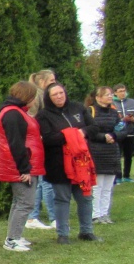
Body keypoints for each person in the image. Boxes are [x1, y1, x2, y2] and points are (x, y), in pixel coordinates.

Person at [37, 82, 101, 244]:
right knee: (62, 199)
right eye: (55, 94)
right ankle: (63, 234)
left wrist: (82, 132)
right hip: (58, 164)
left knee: (85, 198)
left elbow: (94, 127)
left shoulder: (78, 108)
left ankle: (86, 231)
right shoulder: (43, 115)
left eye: (61, 93)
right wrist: (70, 136)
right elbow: (48, 138)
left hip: (81, 164)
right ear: (48, 98)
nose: (59, 97)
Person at [0, 81, 45, 252]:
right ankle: (12, 239)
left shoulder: (15, 112)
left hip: (21, 165)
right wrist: (25, 169)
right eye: (33, 98)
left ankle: (15, 235)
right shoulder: (13, 114)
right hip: (20, 166)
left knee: (19, 202)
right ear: (27, 97)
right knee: (25, 203)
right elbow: (16, 143)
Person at [25, 69, 58, 229]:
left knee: (39, 182)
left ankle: (33, 216)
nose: (54, 83)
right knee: (44, 181)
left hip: (41, 141)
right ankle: (51, 216)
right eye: (51, 80)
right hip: (39, 142)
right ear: (42, 82)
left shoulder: (43, 95)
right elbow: (31, 119)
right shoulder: (37, 96)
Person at [86, 86, 122, 224]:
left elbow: (121, 128)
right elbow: (89, 131)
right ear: (98, 97)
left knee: (108, 186)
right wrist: (103, 137)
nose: (110, 97)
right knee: (97, 185)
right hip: (96, 151)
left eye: (111, 94)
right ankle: (95, 214)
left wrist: (114, 135)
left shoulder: (114, 112)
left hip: (112, 151)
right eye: (107, 94)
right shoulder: (91, 111)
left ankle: (105, 213)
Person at [112, 84, 134, 183]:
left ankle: (127, 175)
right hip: (117, 133)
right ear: (115, 93)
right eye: (120, 91)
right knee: (117, 155)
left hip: (130, 132)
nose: (123, 93)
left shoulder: (132, 102)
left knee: (128, 155)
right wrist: (121, 119)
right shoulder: (112, 103)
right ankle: (118, 177)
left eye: (124, 91)